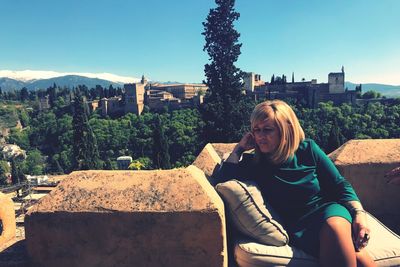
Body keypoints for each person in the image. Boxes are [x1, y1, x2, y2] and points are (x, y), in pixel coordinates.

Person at [218, 100, 376, 267]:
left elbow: (340, 185)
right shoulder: (255, 164)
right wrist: (239, 149)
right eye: (256, 130)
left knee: (335, 227)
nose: (260, 137)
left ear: (286, 130)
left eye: (267, 130)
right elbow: (222, 180)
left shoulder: (308, 149)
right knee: (359, 260)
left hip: (329, 211)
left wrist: (359, 214)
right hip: (299, 228)